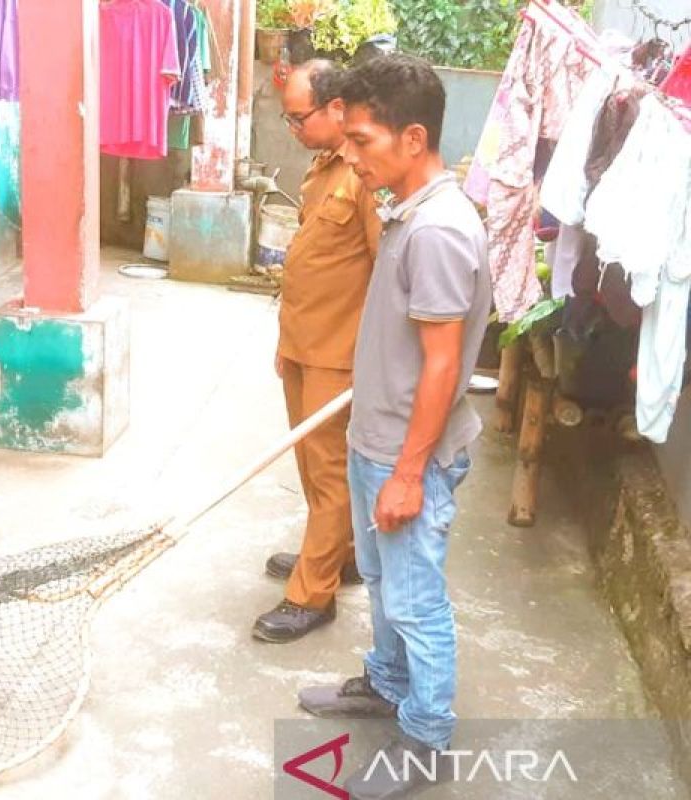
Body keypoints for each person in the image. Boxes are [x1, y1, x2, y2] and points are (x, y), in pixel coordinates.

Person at [296, 55, 492, 799]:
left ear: (415, 138)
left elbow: (443, 365)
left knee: (414, 599)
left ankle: (426, 736)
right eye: (346, 137)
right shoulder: (407, 209)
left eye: (364, 140)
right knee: (381, 584)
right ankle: (385, 685)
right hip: (374, 441)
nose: (351, 154)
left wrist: (410, 472)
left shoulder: (439, 229)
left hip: (408, 455)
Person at [253, 60, 381, 644]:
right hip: (302, 344)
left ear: (336, 108)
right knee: (310, 466)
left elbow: (384, 273)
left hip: (337, 354)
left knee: (328, 474)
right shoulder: (322, 168)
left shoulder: (364, 178)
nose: (293, 127)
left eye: (298, 116)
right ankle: (337, 555)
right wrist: (286, 345)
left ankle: (313, 594)